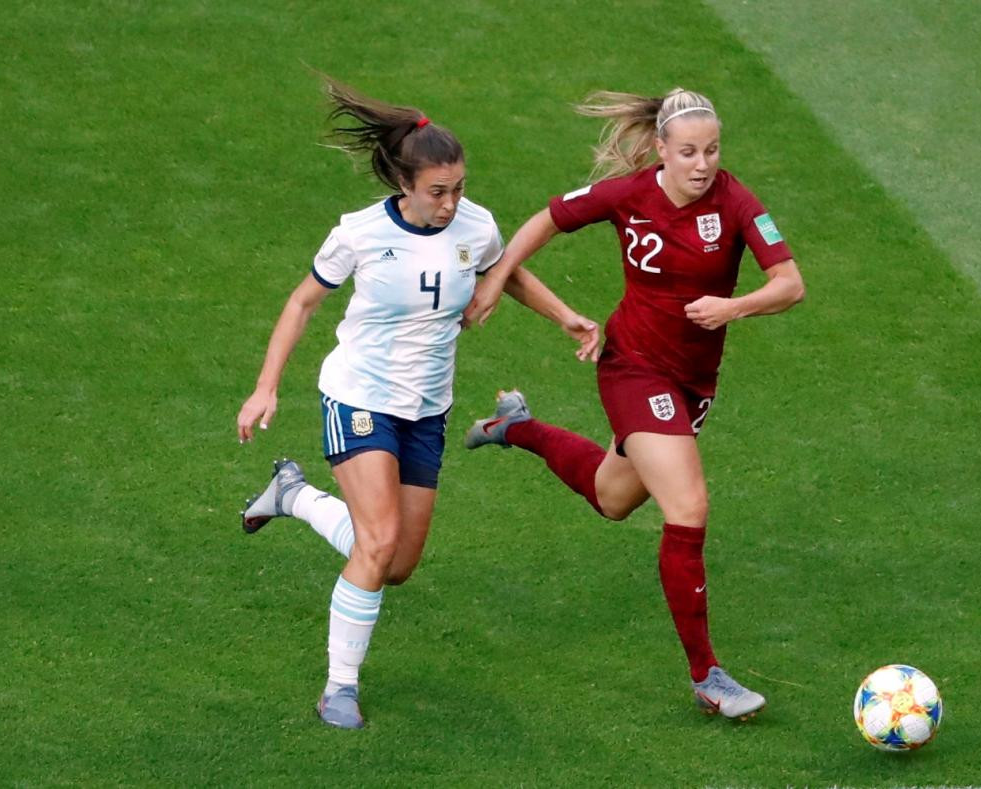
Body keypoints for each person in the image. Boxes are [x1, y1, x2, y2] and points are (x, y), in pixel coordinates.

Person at [236, 77, 599, 729]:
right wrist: (266, 385)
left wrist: (565, 316)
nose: (450, 201)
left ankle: (292, 494)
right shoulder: (360, 233)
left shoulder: (475, 223)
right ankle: (338, 689)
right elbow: (301, 302)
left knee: (394, 563)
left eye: (459, 186)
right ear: (403, 184)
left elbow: (504, 270)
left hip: (427, 408)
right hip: (359, 396)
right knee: (375, 543)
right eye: (438, 191)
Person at [462, 88, 805, 720]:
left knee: (612, 497)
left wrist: (734, 307)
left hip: (693, 382)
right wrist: (496, 274)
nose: (702, 164)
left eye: (712, 150)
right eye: (688, 152)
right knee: (689, 505)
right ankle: (708, 676)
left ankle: (517, 427)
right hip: (633, 369)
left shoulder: (736, 202)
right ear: (661, 151)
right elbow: (546, 218)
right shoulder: (629, 194)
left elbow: (790, 284)